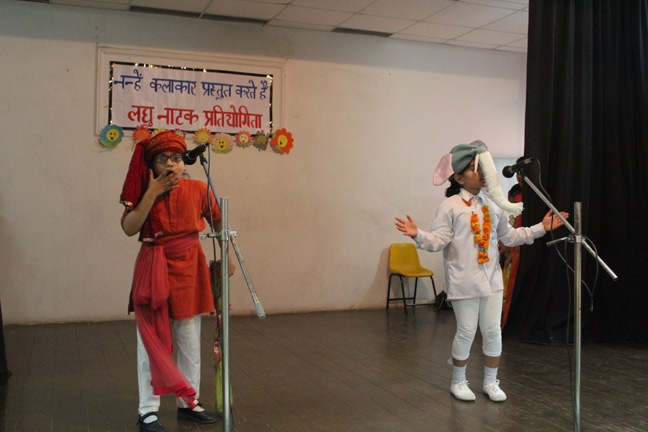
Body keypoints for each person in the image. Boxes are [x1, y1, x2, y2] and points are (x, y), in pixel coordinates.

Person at [395, 141, 568, 403]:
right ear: (459, 177)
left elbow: (509, 237)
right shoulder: (450, 206)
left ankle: (490, 382)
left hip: (492, 280)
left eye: (483, 168)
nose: (482, 173)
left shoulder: (494, 205)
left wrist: (540, 228)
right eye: (475, 169)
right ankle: (458, 381)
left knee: (493, 331)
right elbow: (439, 240)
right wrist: (418, 234)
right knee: (466, 331)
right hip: (463, 280)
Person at [120, 129, 235, 432]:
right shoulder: (144, 191)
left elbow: (219, 221)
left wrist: (227, 258)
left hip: (190, 267)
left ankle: (189, 402)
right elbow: (129, 228)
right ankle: (147, 411)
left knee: (189, 339)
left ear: (185, 161)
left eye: (175, 157)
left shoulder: (198, 188)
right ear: (151, 164)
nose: (170, 164)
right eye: (162, 159)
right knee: (150, 343)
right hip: (153, 267)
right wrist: (152, 193)